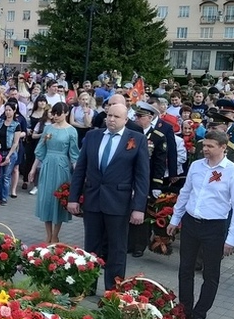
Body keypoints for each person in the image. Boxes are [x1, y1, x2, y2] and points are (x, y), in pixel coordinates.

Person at [167, 130, 234, 319]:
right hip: (191, 223)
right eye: (204, 145)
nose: (205, 150)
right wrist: (175, 219)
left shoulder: (233, 172)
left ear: (222, 147)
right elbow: (185, 193)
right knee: (185, 268)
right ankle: (185, 309)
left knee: (210, 274)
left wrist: (232, 239)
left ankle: (200, 314)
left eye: (210, 146)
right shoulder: (196, 166)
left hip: (214, 227)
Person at [67, 103, 150, 292]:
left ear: (125, 120)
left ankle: (113, 290)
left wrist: (139, 207)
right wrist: (74, 197)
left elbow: (142, 176)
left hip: (119, 203)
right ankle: (87, 286)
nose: (111, 119)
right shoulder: (93, 136)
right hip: (93, 199)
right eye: (109, 115)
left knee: (117, 248)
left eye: (116, 117)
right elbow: (81, 169)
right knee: (91, 246)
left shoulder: (136, 139)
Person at [29, 102, 78, 244]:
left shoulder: (71, 131)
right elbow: (40, 150)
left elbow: (74, 154)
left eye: (59, 113)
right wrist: (33, 169)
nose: (55, 116)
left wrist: (79, 174)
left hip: (62, 167)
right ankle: (48, 234)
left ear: (66, 113)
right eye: (54, 113)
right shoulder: (48, 128)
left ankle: (56, 234)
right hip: (47, 165)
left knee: (58, 199)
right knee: (46, 199)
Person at [127, 102, 168, 258]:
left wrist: (157, 184)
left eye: (141, 116)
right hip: (129, 178)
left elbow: (159, 162)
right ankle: (128, 243)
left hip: (147, 180)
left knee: (142, 213)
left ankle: (139, 245)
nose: (137, 119)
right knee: (128, 211)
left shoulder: (158, 137)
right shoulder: (130, 133)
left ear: (150, 118)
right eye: (136, 115)